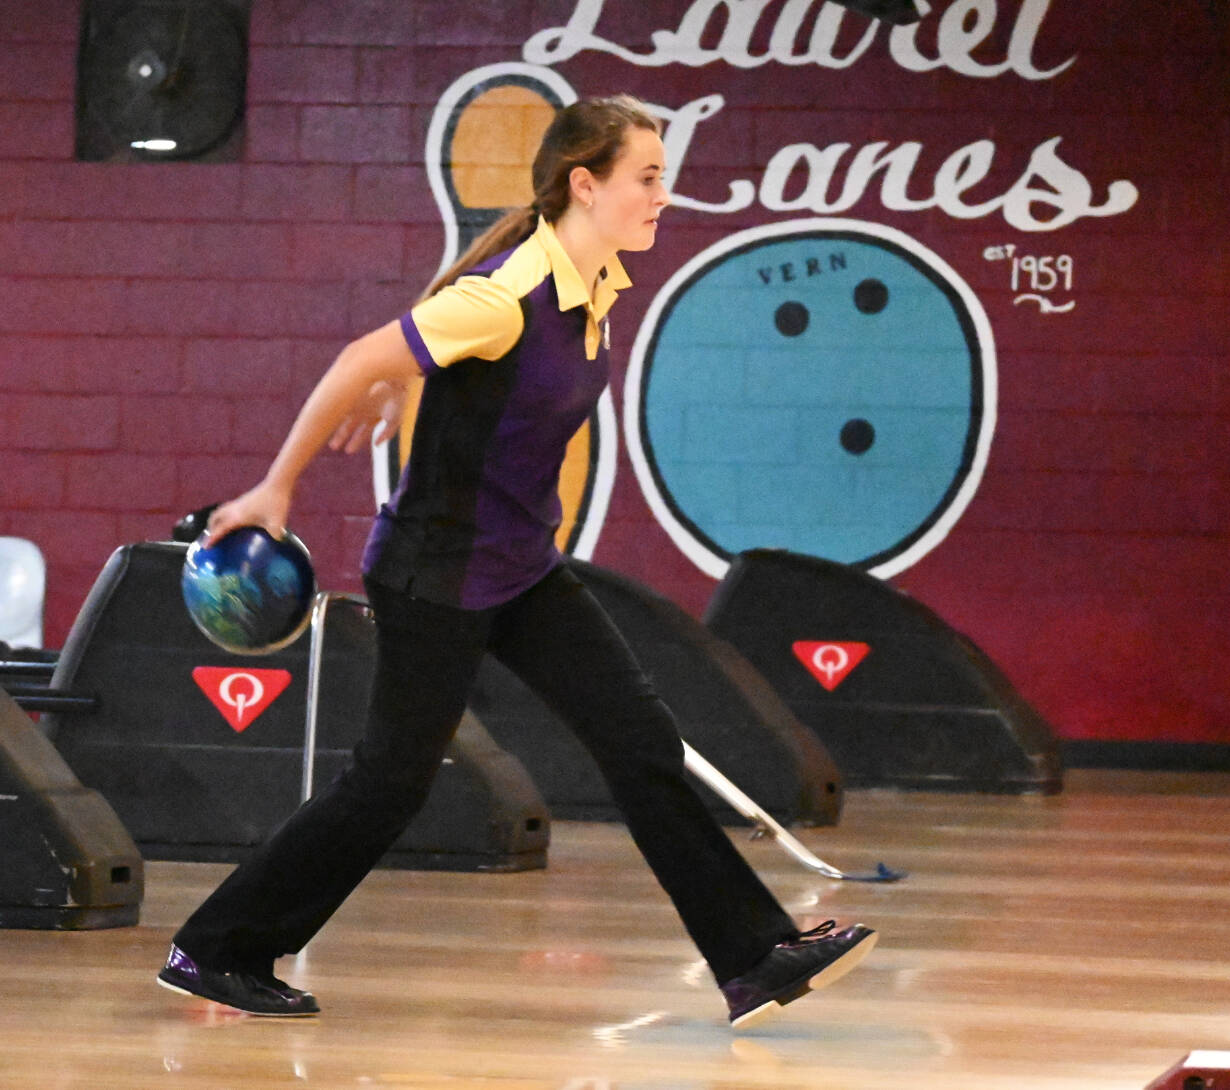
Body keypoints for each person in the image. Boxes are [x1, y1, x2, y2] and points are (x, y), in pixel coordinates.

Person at [156, 94, 876, 1030]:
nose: (665, 195)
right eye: (648, 177)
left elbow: (427, 350)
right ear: (586, 183)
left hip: (523, 569)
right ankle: (215, 949)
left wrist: (395, 381)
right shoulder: (507, 295)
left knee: (640, 740)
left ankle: (753, 958)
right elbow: (355, 355)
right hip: (438, 575)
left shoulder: (597, 286)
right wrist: (275, 488)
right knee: (390, 783)